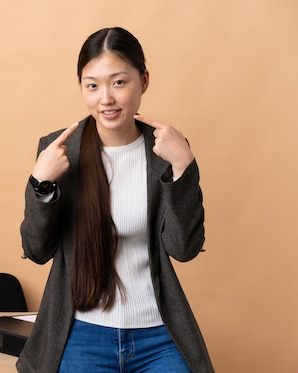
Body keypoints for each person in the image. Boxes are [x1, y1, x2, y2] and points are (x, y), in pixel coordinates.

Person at [17, 27, 214, 372]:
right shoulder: (61, 149)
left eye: (119, 82)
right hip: (79, 332)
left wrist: (183, 167)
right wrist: (41, 184)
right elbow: (36, 250)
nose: (105, 98)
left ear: (144, 81)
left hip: (157, 333)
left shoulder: (167, 149)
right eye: (92, 85)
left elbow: (183, 248)